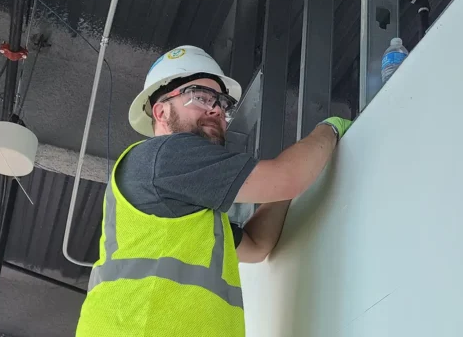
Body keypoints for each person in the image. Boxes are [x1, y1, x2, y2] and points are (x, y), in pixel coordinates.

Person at [75, 46, 352, 337]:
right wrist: (328, 130)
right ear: (161, 110)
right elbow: (289, 178)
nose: (216, 109)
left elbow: (258, 246)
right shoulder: (166, 155)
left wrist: (283, 185)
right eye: (200, 96)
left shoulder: (191, 214)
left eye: (222, 103)